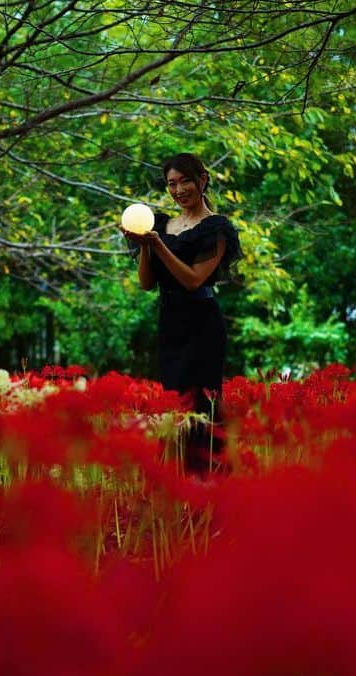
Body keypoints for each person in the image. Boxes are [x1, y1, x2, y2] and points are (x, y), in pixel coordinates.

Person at [121, 153, 242, 475]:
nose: (178, 190)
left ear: (202, 180)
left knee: (203, 402)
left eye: (185, 181)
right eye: (171, 184)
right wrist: (145, 246)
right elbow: (147, 283)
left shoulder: (216, 228)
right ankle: (177, 482)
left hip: (203, 322)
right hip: (170, 321)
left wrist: (159, 246)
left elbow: (193, 279)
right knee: (175, 400)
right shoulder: (159, 224)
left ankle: (211, 480)